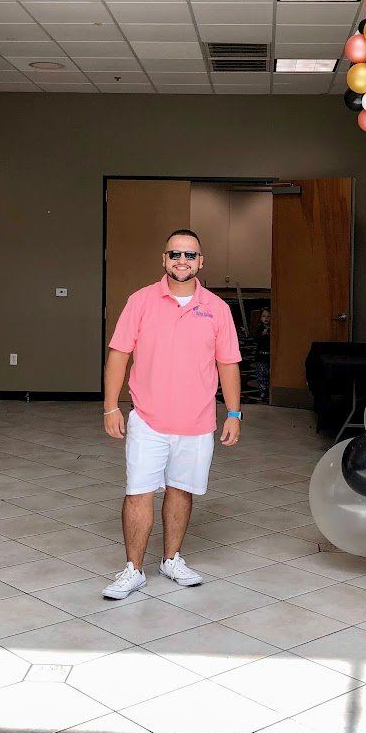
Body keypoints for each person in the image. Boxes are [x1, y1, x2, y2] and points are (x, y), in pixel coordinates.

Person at [101, 228, 242, 598]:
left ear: (201, 261)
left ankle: (171, 560)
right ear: (164, 259)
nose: (183, 261)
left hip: (197, 423)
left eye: (190, 255)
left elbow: (228, 363)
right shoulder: (141, 301)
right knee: (138, 493)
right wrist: (110, 406)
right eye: (175, 254)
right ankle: (133, 570)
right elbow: (119, 355)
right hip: (147, 419)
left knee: (181, 491)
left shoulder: (217, 308)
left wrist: (234, 413)